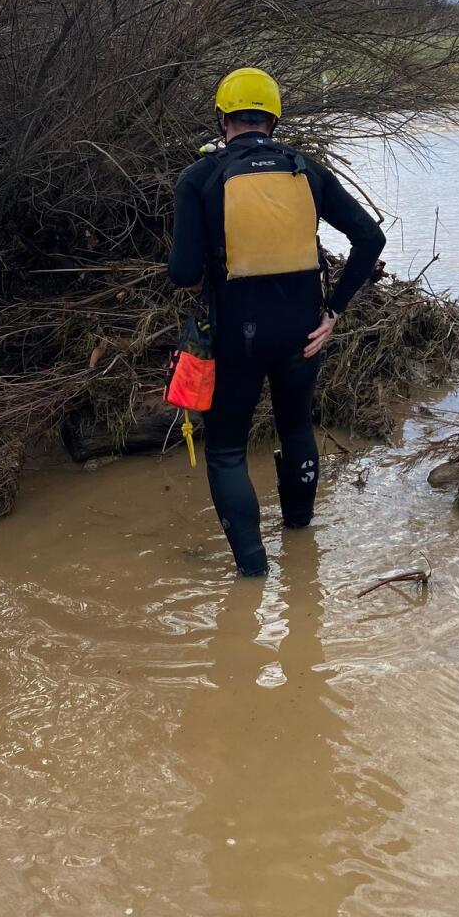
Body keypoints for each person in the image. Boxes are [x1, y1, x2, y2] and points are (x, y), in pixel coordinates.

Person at [168, 68, 386, 576]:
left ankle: (252, 574)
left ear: (221, 118)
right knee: (294, 428)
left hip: (234, 338)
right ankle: (300, 545)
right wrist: (333, 311)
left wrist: (206, 279)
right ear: (273, 118)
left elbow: (181, 272)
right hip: (303, 335)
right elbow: (369, 239)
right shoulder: (306, 169)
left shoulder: (198, 178)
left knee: (225, 450)